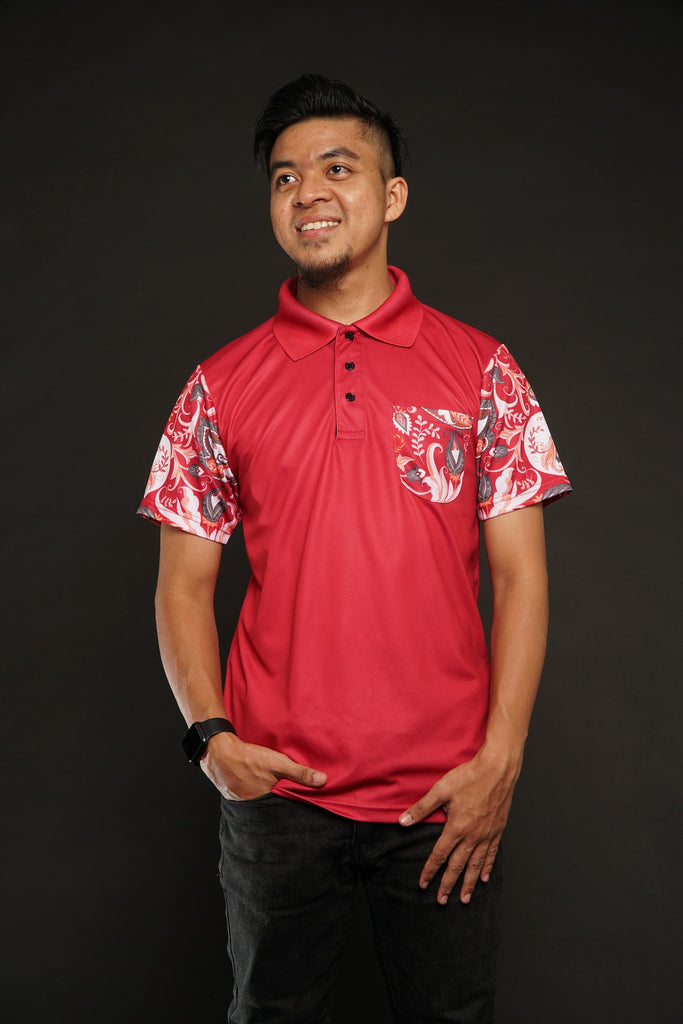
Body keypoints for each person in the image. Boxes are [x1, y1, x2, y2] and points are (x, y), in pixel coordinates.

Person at [138, 73, 571, 1024]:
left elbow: (520, 577)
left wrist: (499, 762)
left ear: (392, 194)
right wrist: (211, 743)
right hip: (277, 798)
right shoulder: (217, 385)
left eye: (337, 168)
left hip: (445, 795)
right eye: (285, 177)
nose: (308, 193)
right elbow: (181, 589)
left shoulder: (484, 370)